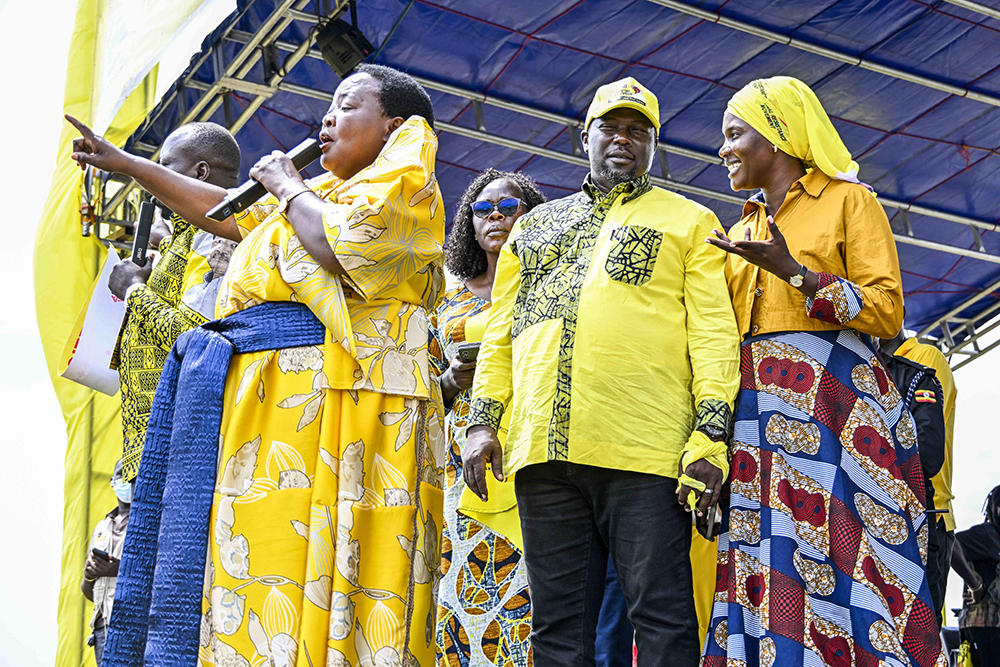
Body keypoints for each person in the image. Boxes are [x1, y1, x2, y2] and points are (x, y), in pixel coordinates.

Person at [69, 64, 446, 667]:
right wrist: (128, 165)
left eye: (346, 105)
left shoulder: (405, 185)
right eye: (329, 104)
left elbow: (338, 247)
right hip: (270, 414)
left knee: (336, 572)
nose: (327, 117)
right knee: (258, 573)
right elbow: (223, 211)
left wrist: (287, 185)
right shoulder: (316, 199)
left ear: (393, 127)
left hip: (345, 408)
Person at [463, 77, 741, 667]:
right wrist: (483, 423)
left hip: (645, 450)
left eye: (638, 131)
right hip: (542, 449)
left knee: (661, 616)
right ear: (583, 137)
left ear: (653, 145)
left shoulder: (690, 220)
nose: (623, 139)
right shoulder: (534, 228)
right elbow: (501, 333)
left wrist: (710, 437)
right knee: (557, 628)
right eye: (610, 128)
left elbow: (714, 335)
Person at [704, 76, 944, 667]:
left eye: (735, 134)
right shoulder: (737, 232)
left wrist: (798, 273)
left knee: (851, 557)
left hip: (836, 407)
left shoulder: (848, 200)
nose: (723, 148)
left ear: (779, 136)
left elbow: (888, 312)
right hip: (755, 418)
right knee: (770, 559)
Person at [430, 168, 546, 666]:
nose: (495, 215)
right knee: (454, 585)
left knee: (529, 587)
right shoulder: (445, 294)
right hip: (458, 455)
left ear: (533, 217)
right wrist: (451, 382)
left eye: (509, 206)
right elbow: (422, 385)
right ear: (470, 223)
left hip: (528, 442)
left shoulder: (550, 286)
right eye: (483, 208)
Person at [104, 121, 242, 482]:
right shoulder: (187, 235)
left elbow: (197, 338)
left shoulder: (217, 238)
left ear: (199, 171)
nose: (153, 182)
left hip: (184, 442)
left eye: (165, 167)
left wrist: (134, 289)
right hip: (159, 442)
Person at [882, 326, 959, 621]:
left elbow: (925, 448)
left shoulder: (925, 358)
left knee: (920, 625)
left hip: (928, 512)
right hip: (885, 513)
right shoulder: (864, 362)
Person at [81, 460, 131, 666]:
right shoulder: (102, 527)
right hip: (102, 628)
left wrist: (119, 569)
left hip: (131, 624)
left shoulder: (147, 523)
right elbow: (89, 592)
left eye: (131, 476)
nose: (126, 480)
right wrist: (89, 575)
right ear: (112, 481)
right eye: (121, 474)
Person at [951, 486, 1000, 667]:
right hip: (985, 628)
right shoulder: (987, 535)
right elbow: (952, 543)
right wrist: (975, 585)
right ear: (995, 508)